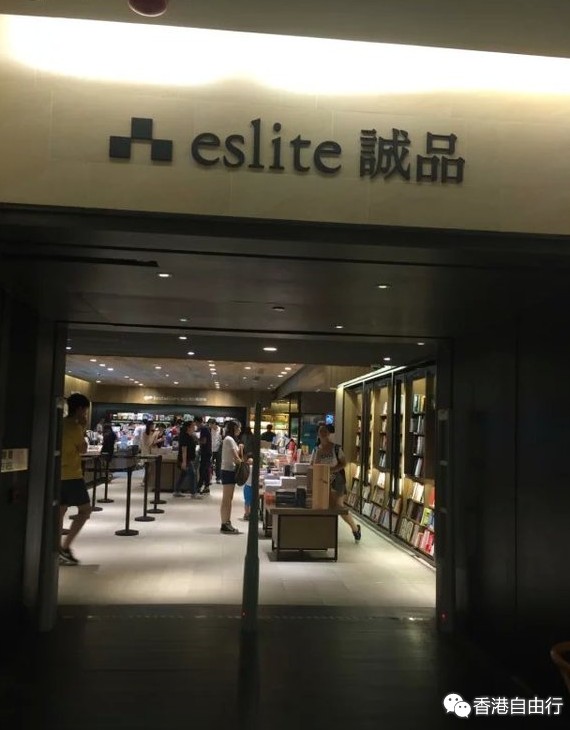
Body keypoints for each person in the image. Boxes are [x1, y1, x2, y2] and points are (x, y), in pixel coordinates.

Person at [310, 424, 361, 541]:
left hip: (337, 480)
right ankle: (326, 533)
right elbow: (312, 465)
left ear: (329, 433)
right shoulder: (316, 449)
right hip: (322, 481)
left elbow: (344, 463)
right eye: (321, 431)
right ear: (318, 434)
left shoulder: (336, 448)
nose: (323, 434)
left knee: (338, 506)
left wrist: (332, 470)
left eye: (325, 431)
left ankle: (355, 528)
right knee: (323, 505)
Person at [59, 393, 92, 565]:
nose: (85, 414)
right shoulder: (74, 427)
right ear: (79, 409)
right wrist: (83, 428)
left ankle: (55, 549)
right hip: (72, 475)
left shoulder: (60, 423)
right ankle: (65, 548)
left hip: (57, 474)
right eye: (85, 411)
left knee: (60, 510)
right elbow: (83, 449)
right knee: (85, 510)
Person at [220, 419, 243, 533]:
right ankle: (225, 523)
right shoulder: (229, 439)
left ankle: (226, 522)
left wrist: (241, 448)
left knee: (229, 498)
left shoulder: (232, 440)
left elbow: (238, 456)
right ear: (234, 428)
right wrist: (245, 463)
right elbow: (237, 458)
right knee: (227, 499)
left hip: (230, 470)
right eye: (239, 427)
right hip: (228, 470)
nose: (240, 430)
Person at [173, 420, 201, 498]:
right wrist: (184, 462)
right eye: (193, 426)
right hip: (186, 459)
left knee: (183, 474)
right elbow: (184, 449)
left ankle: (176, 491)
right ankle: (193, 493)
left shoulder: (190, 435)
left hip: (189, 458)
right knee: (192, 474)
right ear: (188, 427)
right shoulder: (184, 436)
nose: (194, 427)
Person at [195, 416, 212, 494]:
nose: (196, 425)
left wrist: (196, 439)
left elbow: (204, 441)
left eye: (196, 423)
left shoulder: (204, 429)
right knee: (205, 469)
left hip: (206, 452)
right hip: (207, 452)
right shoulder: (205, 428)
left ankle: (200, 486)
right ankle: (205, 486)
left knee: (203, 469)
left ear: (198, 422)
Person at [209, 418, 223, 484]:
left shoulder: (221, 430)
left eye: (211, 424)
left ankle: (218, 478)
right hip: (211, 449)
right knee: (210, 464)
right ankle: (210, 478)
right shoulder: (209, 430)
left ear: (214, 423)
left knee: (218, 464)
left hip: (218, 449)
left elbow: (223, 438)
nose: (210, 426)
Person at [241, 454, 254, 521]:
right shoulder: (252, 468)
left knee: (247, 502)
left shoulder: (246, 468)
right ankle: (250, 514)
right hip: (251, 486)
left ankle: (246, 514)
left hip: (247, 486)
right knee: (251, 502)